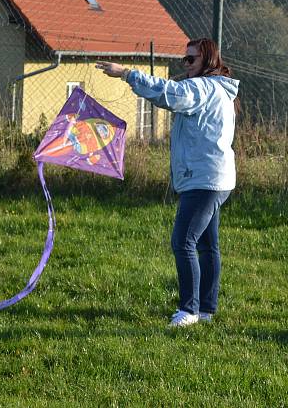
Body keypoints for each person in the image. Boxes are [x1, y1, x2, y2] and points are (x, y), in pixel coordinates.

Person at [96, 38, 239, 327]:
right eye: (184, 60)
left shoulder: (203, 88)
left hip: (204, 180)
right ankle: (207, 310)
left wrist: (126, 73)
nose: (185, 65)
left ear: (207, 61)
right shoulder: (218, 90)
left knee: (183, 241)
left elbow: (168, 93)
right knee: (207, 245)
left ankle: (189, 310)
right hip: (215, 177)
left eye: (191, 60)